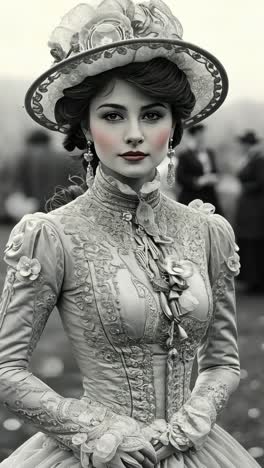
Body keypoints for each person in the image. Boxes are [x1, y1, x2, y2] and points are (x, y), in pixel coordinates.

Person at [0, 1, 260, 467]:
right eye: (114, 115)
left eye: (153, 114)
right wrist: (99, 435)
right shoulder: (52, 236)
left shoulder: (208, 231)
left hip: (198, 450)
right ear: (85, 125)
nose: (135, 134)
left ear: (175, 127)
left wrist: (188, 425)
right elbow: (5, 368)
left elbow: (222, 360)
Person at [235, 130, 264, 293]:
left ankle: (257, 280)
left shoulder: (259, 160)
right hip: (248, 206)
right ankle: (251, 279)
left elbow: (261, 182)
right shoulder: (249, 159)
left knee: (255, 241)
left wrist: (245, 188)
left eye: (244, 144)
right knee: (248, 241)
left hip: (256, 207)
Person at [176, 124, 223, 214]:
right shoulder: (185, 155)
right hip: (192, 196)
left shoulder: (210, 153)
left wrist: (215, 178)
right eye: (198, 134)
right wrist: (198, 181)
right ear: (192, 136)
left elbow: (216, 170)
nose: (201, 137)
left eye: (202, 134)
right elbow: (180, 177)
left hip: (210, 195)